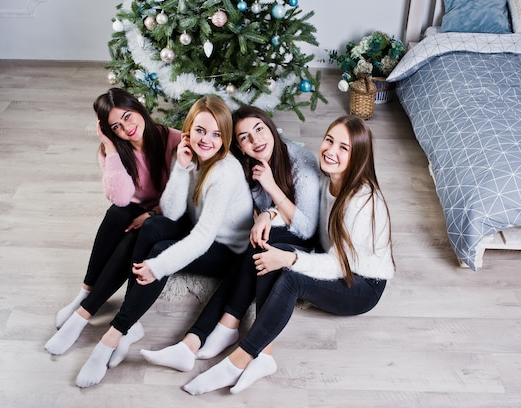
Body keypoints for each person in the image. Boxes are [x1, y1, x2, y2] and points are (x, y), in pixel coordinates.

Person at [182, 115, 396, 395]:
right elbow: (303, 217)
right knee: (268, 244)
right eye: (329, 140)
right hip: (330, 256)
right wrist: (268, 217)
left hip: (361, 283)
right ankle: (257, 349)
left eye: (344, 148)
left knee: (291, 278)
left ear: (359, 155)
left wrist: (291, 260)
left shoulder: (361, 201)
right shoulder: (327, 177)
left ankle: (240, 360)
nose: (331, 151)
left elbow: (338, 265)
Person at [73, 95, 254, 388]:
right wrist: (181, 167)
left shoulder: (225, 172)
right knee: (154, 225)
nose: (206, 140)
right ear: (188, 130)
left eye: (216, 134)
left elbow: (202, 239)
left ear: (226, 136)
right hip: (199, 231)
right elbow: (172, 212)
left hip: (226, 250)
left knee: (157, 253)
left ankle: (113, 335)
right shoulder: (189, 155)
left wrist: (158, 266)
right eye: (199, 131)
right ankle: (128, 324)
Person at [139, 105, 321, 372]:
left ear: (270, 127)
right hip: (270, 228)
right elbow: (252, 206)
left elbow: (306, 228)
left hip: (300, 240)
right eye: (245, 137)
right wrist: (264, 216)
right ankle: (194, 341)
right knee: (251, 247)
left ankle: (223, 326)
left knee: (255, 247)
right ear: (238, 145)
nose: (255, 140)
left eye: (259, 129)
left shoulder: (301, 163)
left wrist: (270, 192)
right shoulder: (245, 164)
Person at [45, 88, 180, 354]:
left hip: (170, 215)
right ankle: (86, 293)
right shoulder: (112, 151)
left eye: (128, 117)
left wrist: (153, 213)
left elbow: (183, 198)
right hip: (136, 208)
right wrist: (110, 146)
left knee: (135, 235)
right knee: (118, 214)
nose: (126, 128)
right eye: (116, 126)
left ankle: (86, 312)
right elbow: (120, 198)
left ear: (139, 109)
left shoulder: (172, 139)